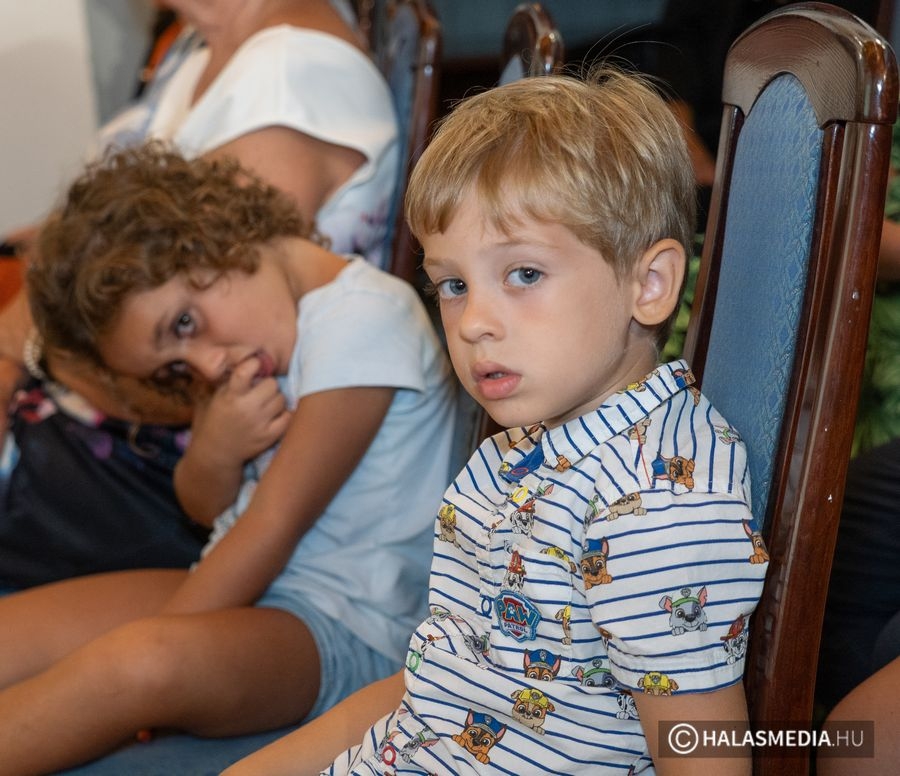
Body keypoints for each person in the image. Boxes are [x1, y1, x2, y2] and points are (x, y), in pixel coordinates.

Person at [224, 68, 769, 776]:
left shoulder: (654, 508)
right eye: (454, 285)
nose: (474, 322)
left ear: (650, 283)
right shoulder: (525, 449)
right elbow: (434, 692)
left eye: (524, 274)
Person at [0, 143, 456, 775]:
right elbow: (205, 508)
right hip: (254, 585)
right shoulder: (260, 345)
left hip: (344, 626)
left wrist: (159, 642)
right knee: (14, 633)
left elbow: (273, 525)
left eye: (184, 324)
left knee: (136, 662)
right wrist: (215, 451)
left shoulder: (364, 320)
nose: (208, 365)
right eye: (174, 368)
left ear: (212, 236)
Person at [0, 0, 400, 589]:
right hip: (156, 434)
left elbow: (158, 306)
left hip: (166, 452)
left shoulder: (291, 77)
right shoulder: (191, 50)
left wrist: (18, 353)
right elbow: (94, 242)